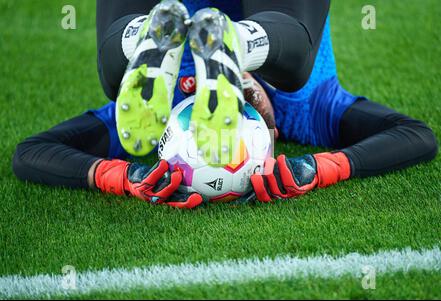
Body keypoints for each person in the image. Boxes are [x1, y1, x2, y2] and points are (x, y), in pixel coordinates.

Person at [13, 0, 438, 207]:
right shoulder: (307, 110)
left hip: (160, 27)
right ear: (270, 134)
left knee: (115, 82)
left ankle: (141, 36)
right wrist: (318, 167)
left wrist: (126, 176)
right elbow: (416, 136)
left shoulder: (156, 113)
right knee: (297, 71)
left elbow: (31, 153)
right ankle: (237, 41)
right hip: (270, 42)